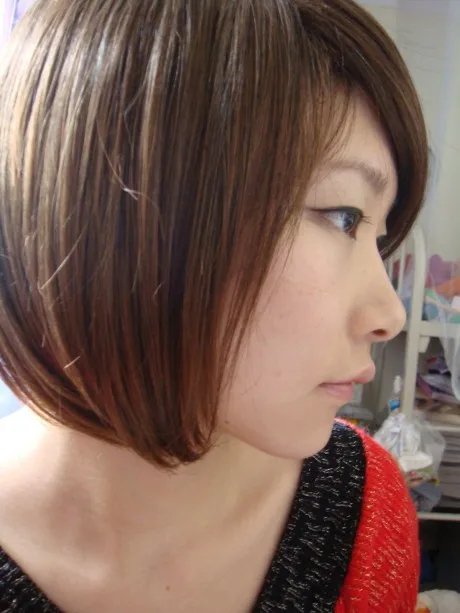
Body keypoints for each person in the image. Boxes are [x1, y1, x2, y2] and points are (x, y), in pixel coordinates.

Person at [0, 0, 428, 611]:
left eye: (377, 236)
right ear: (132, 213)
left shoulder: (363, 509)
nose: (389, 315)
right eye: (343, 216)